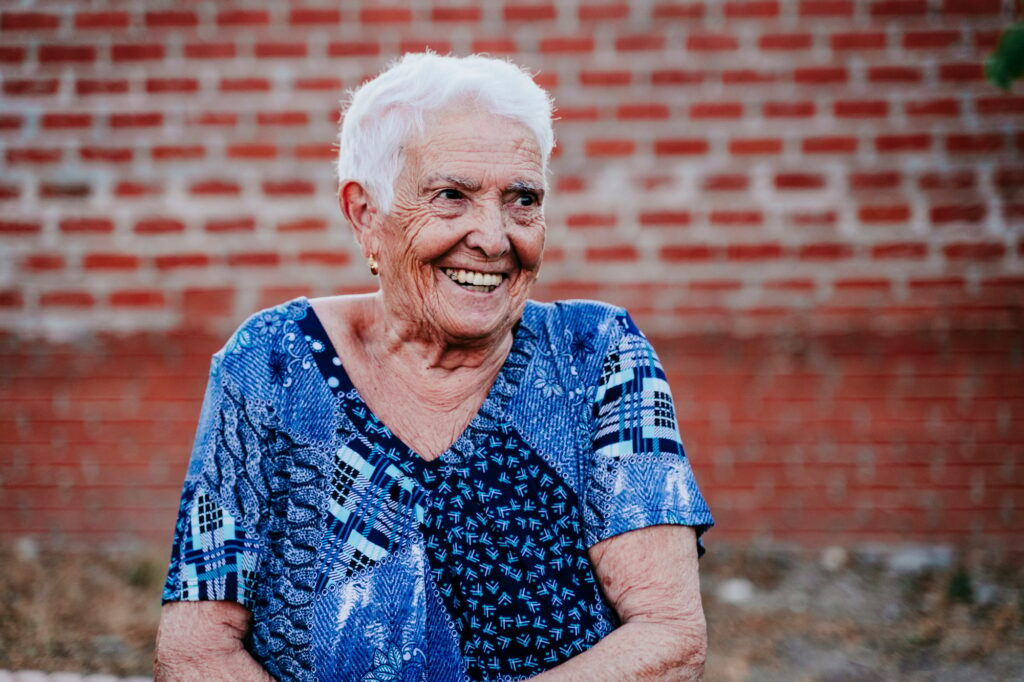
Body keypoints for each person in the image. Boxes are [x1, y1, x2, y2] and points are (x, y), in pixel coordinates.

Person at [155, 52, 714, 681]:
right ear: (366, 214)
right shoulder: (271, 362)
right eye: (452, 196)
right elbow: (195, 651)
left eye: (522, 199)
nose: (495, 238)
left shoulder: (596, 355)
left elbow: (669, 636)